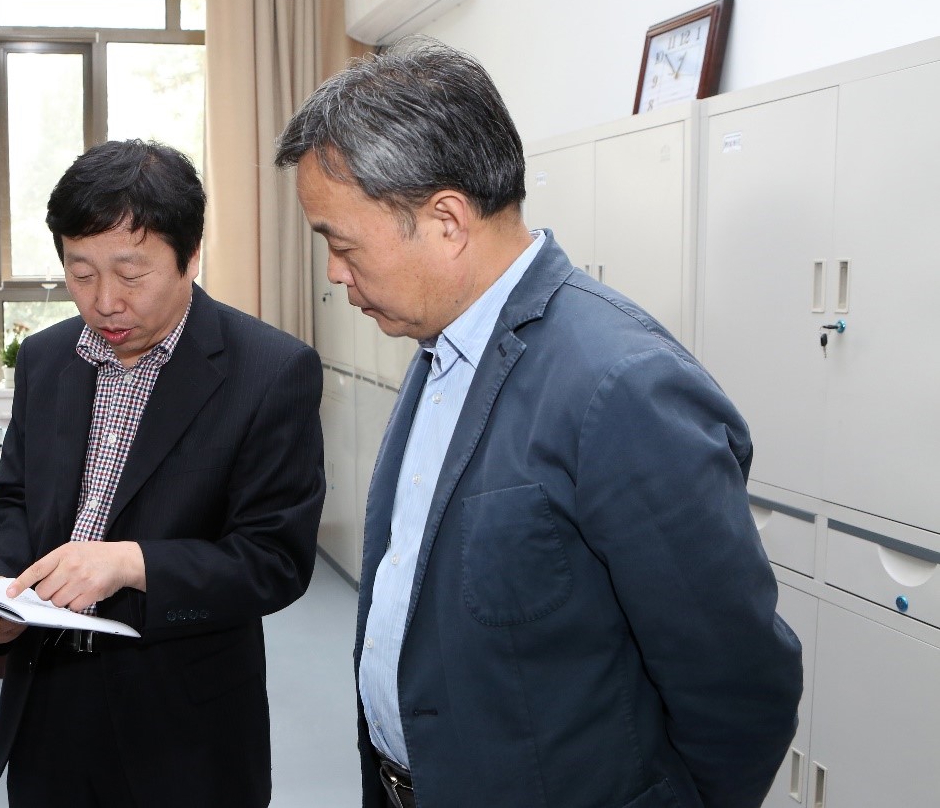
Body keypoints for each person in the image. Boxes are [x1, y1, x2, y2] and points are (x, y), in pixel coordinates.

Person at [276, 41, 803, 808]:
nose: (333, 270)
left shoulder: (621, 384)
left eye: (341, 241)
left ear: (446, 220)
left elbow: (739, 686)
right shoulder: (441, 345)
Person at [0, 139, 325, 807]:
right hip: (48, 710)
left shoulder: (270, 372)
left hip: (181, 725)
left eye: (131, 275)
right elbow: (15, 499)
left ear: (191, 256)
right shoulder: (45, 359)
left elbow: (274, 560)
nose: (105, 301)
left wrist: (133, 564)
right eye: (81, 274)